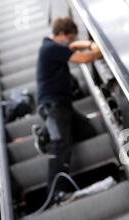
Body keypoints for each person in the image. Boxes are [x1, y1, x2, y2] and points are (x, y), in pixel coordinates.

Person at [33, 16, 102, 204]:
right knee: (62, 144)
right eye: (69, 37)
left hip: (63, 106)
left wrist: (86, 42)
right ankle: (56, 193)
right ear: (61, 34)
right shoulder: (51, 49)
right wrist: (100, 48)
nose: (70, 42)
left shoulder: (52, 47)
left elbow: (72, 47)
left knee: (87, 131)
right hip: (53, 106)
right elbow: (84, 58)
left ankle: (44, 134)